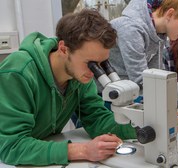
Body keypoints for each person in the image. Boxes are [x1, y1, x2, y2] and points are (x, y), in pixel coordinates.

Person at [0, 9, 136, 166]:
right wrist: (83, 151)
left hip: (38, 157)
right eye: (91, 64)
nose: (96, 72)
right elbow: (12, 146)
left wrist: (142, 126)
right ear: (64, 49)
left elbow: (97, 120)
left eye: (102, 64)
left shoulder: (79, 75)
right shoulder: (18, 73)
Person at [107, 0, 178, 90]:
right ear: (170, 14)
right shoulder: (130, 29)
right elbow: (141, 82)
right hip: (106, 97)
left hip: (129, 95)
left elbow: (156, 78)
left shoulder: (159, 34)